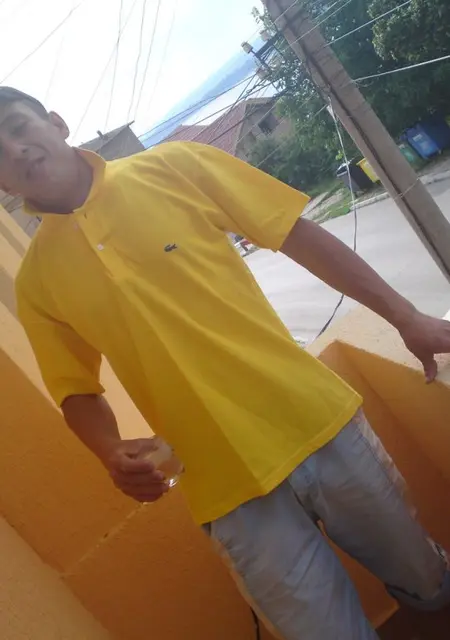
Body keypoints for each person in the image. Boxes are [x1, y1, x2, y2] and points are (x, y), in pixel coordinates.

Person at [2, 86, 449, 639]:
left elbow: (295, 236)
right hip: (226, 490)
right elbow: (74, 388)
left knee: (425, 580)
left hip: (317, 422)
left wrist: (406, 318)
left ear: (56, 122)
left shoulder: (176, 167)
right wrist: (110, 451)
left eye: (19, 127)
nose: (15, 150)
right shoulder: (37, 281)